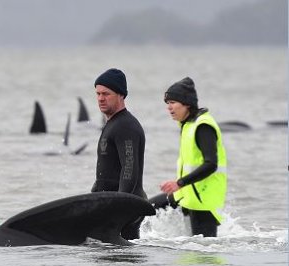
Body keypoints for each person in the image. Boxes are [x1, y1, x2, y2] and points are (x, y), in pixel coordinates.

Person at [156, 77, 227, 237]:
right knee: (144, 209)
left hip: (203, 201)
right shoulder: (188, 124)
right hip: (186, 195)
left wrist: (179, 183)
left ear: (186, 103)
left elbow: (211, 164)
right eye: (167, 103)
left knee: (202, 254)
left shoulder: (203, 126)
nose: (169, 108)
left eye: (172, 102)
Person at [92, 68, 147, 240]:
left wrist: (119, 207)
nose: (101, 98)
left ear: (121, 95)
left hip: (124, 209)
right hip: (113, 205)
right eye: (98, 93)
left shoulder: (125, 126)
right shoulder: (113, 123)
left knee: (122, 262)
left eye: (106, 94)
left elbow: (129, 169)